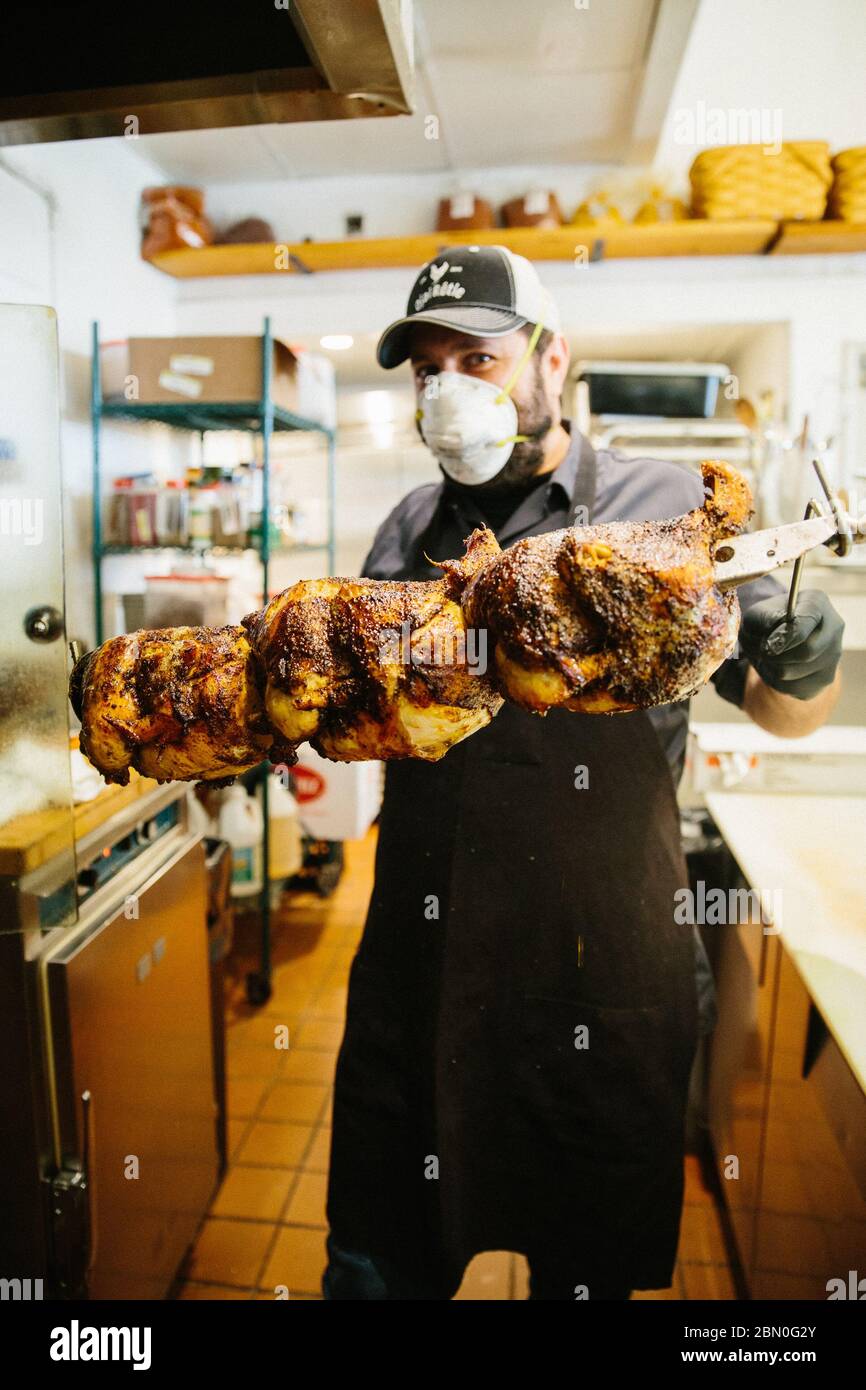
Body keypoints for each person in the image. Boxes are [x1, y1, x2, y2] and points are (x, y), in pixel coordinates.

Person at [322, 246, 844, 1301]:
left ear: (551, 357)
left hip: (598, 975)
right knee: (379, 1260)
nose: (447, 390)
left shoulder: (660, 508)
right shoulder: (403, 535)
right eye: (425, 370)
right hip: (423, 971)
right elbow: (378, 726)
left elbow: (787, 715)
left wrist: (801, 648)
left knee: (584, 1271)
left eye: (476, 356)